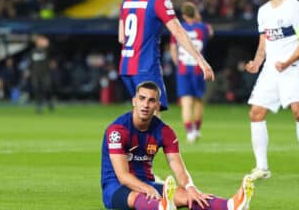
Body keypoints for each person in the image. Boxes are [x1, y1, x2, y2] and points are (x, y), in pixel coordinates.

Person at [101, 81, 254, 210]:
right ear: (134, 101)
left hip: (147, 182)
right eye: (142, 98)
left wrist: (190, 187)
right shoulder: (118, 131)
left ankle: (231, 205)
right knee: (137, 196)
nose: (146, 105)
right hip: (116, 187)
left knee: (185, 194)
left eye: (151, 100)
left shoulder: (164, 131)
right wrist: (149, 189)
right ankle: (162, 206)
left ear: (157, 105)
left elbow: (176, 163)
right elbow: (122, 176)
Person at [245, 0, 299, 180]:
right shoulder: (263, 12)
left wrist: (287, 61)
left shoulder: (294, 7)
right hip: (271, 68)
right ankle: (262, 167)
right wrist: (257, 63)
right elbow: (264, 42)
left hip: (293, 66)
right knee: (256, 113)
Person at [118, 0, 215, 113]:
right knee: (152, 116)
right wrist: (201, 60)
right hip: (146, 66)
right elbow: (178, 31)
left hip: (126, 66)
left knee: (141, 117)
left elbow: (121, 37)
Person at [169, 1, 213, 143]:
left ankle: (190, 132)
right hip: (198, 68)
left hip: (183, 69)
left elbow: (173, 49)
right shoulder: (204, 28)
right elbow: (210, 33)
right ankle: (197, 129)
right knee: (198, 100)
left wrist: (178, 64)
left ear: (183, 15)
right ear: (195, 13)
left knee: (186, 102)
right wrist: (198, 18)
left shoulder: (178, 27)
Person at [30, 35, 54, 114]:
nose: (39, 43)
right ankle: (39, 106)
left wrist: (47, 45)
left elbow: (51, 52)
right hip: (35, 74)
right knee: (36, 89)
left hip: (45, 73)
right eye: (38, 41)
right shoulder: (33, 51)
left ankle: (49, 101)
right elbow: (31, 62)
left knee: (46, 88)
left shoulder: (46, 50)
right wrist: (28, 70)